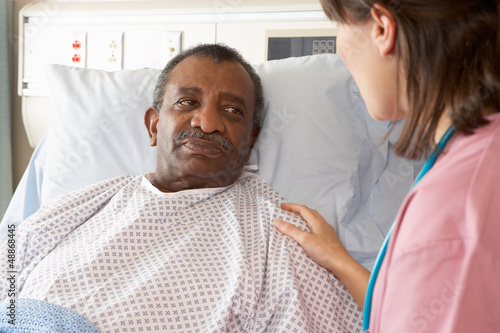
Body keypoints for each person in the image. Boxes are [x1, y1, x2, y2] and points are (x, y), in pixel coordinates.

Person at [0, 44, 363, 332]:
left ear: (251, 139)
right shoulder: (77, 206)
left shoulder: (280, 234)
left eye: (233, 111)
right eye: (188, 102)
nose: (207, 123)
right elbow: (9, 272)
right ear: (154, 125)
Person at [274, 1, 500, 332]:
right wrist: (339, 260)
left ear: (382, 28)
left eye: (339, 24)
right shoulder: (478, 154)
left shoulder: (455, 207)